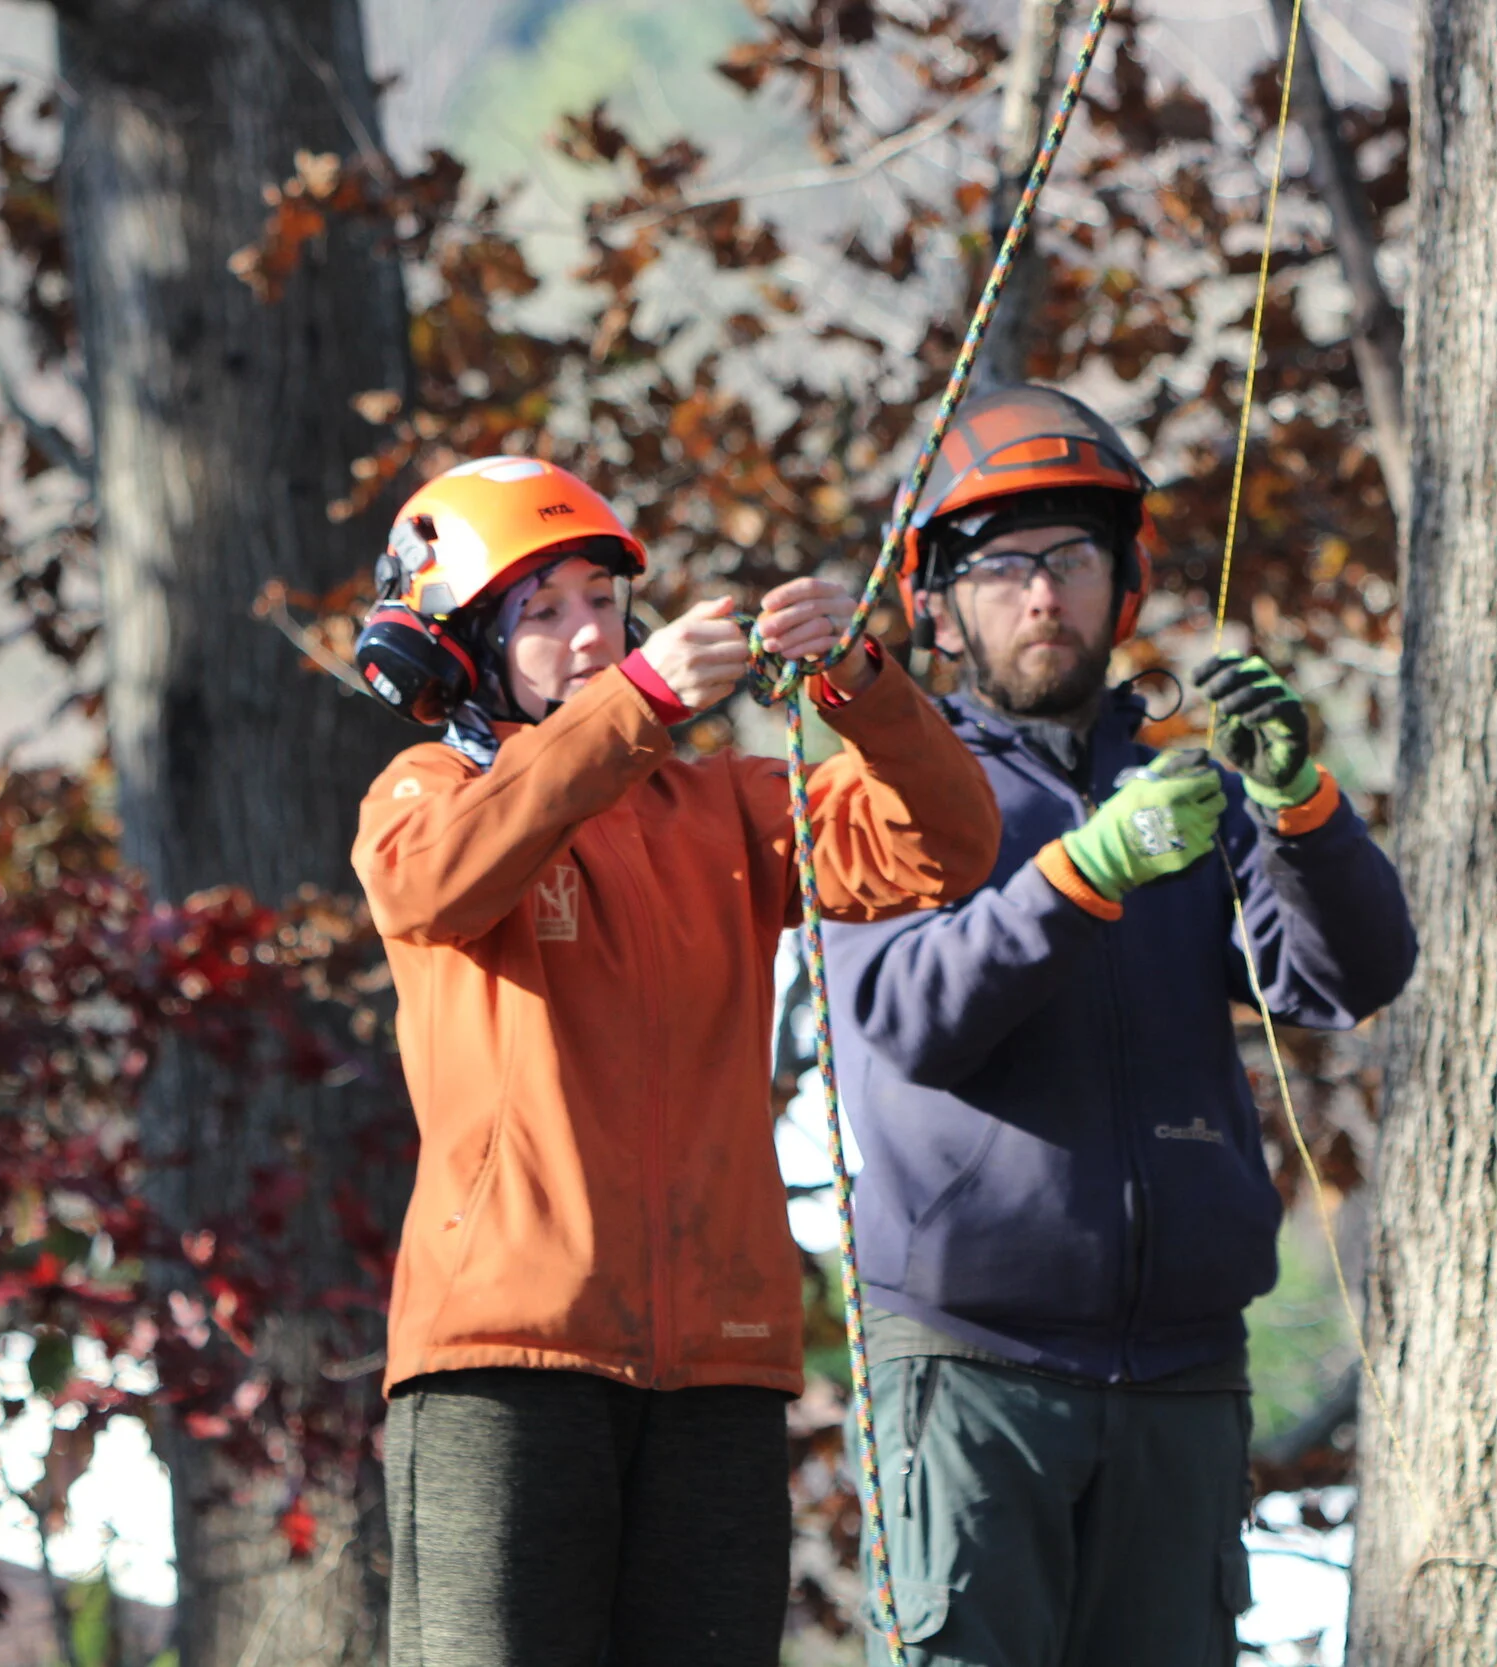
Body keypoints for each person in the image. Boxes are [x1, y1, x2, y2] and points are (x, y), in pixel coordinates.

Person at [350, 456, 1001, 1667]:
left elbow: (947, 845)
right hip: (504, 1361)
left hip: (720, 1358)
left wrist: (861, 685)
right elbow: (436, 882)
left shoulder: (724, 805)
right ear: (455, 645)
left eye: (603, 601)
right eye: (541, 611)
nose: (589, 634)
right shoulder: (427, 791)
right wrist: (638, 701)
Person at [822, 386, 1418, 1665]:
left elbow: (1345, 976)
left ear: (1124, 583)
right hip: (971, 1365)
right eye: (1004, 566)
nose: (1044, 595)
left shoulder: (1182, 777)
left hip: (1183, 1374)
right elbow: (908, 1017)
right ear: (937, 606)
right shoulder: (883, 789)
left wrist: (1299, 804)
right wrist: (1079, 875)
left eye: (1073, 559)